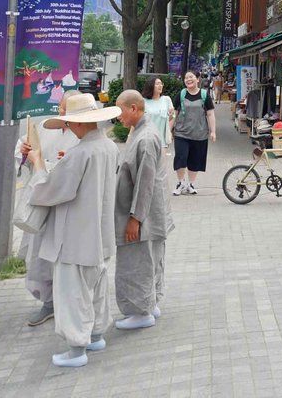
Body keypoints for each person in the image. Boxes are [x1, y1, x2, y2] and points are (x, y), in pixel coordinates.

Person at [25, 93, 120, 368]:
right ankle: (96, 334)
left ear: (78, 124)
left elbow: (53, 191)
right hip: (100, 232)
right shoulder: (109, 147)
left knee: (72, 294)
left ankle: (77, 348)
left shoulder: (80, 153)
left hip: (75, 236)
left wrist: (39, 165)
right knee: (97, 287)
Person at [113, 90, 174, 330]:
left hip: (144, 214)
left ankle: (141, 312)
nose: (118, 116)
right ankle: (150, 303)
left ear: (134, 109)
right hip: (148, 212)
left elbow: (145, 182)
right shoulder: (139, 132)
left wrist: (135, 218)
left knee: (138, 262)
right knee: (149, 260)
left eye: (121, 110)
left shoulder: (146, 138)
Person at [16, 99, 78, 327]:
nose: (61, 112)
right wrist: (25, 153)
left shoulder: (84, 135)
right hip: (43, 200)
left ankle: (69, 302)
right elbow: (27, 153)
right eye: (61, 108)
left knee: (66, 254)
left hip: (67, 205)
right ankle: (48, 302)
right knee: (40, 251)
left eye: (66, 109)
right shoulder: (44, 127)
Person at [172, 70, 217, 196]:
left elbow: (210, 114)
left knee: (195, 160)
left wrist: (213, 131)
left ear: (198, 79)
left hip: (200, 134)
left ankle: (190, 184)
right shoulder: (180, 94)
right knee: (181, 158)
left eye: (191, 77)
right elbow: (174, 114)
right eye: (186, 78)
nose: (188, 80)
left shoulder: (204, 95)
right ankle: (180, 183)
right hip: (181, 133)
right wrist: (168, 131)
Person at [142, 77, 175, 149]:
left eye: (161, 84)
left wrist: (171, 115)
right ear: (150, 86)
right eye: (157, 84)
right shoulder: (143, 101)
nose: (160, 86)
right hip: (146, 139)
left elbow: (171, 118)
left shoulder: (166, 99)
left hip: (162, 141)